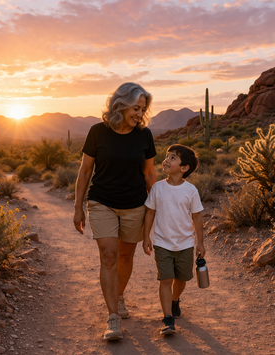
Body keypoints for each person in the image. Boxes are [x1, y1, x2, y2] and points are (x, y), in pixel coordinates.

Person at [73, 82, 157, 341]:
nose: (140, 115)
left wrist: (157, 209)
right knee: (108, 256)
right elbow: (85, 171)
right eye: (136, 108)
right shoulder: (98, 132)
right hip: (102, 202)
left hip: (135, 204)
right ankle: (113, 318)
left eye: (143, 110)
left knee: (125, 257)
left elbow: (150, 174)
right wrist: (78, 207)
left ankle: (119, 296)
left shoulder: (144, 135)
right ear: (121, 104)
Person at [142, 144, 205, 335]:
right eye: (166, 156)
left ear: (184, 168)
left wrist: (200, 242)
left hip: (185, 243)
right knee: (166, 279)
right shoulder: (157, 188)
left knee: (181, 278)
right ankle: (167, 318)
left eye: (172, 158)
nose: (166, 160)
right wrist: (146, 236)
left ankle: (175, 299)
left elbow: (197, 217)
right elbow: (150, 213)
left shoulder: (191, 190)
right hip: (162, 243)